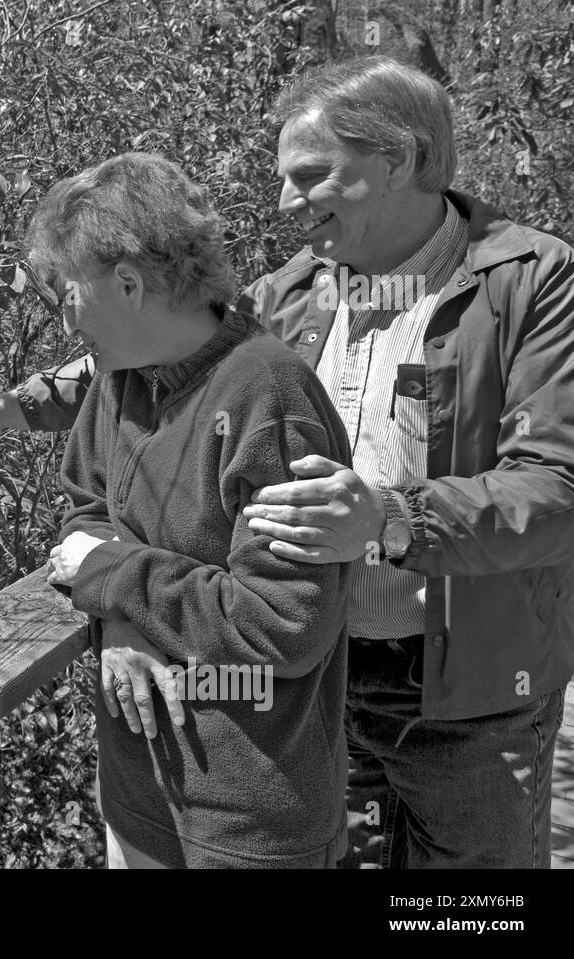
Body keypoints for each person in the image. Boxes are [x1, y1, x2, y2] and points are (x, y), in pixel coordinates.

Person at [0, 56, 574, 869]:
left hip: (469, 691)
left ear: (397, 158)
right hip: (322, 679)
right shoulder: (299, 290)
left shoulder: (527, 279)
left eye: (312, 176)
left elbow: (557, 487)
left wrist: (393, 518)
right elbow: (169, 351)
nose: (287, 202)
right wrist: (8, 412)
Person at [28, 151, 352, 868]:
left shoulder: (268, 396)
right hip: (137, 798)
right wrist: (117, 614)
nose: (63, 316)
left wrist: (114, 576)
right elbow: (85, 515)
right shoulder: (121, 383)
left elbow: (284, 625)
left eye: (68, 291)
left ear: (129, 283)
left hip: (250, 826)